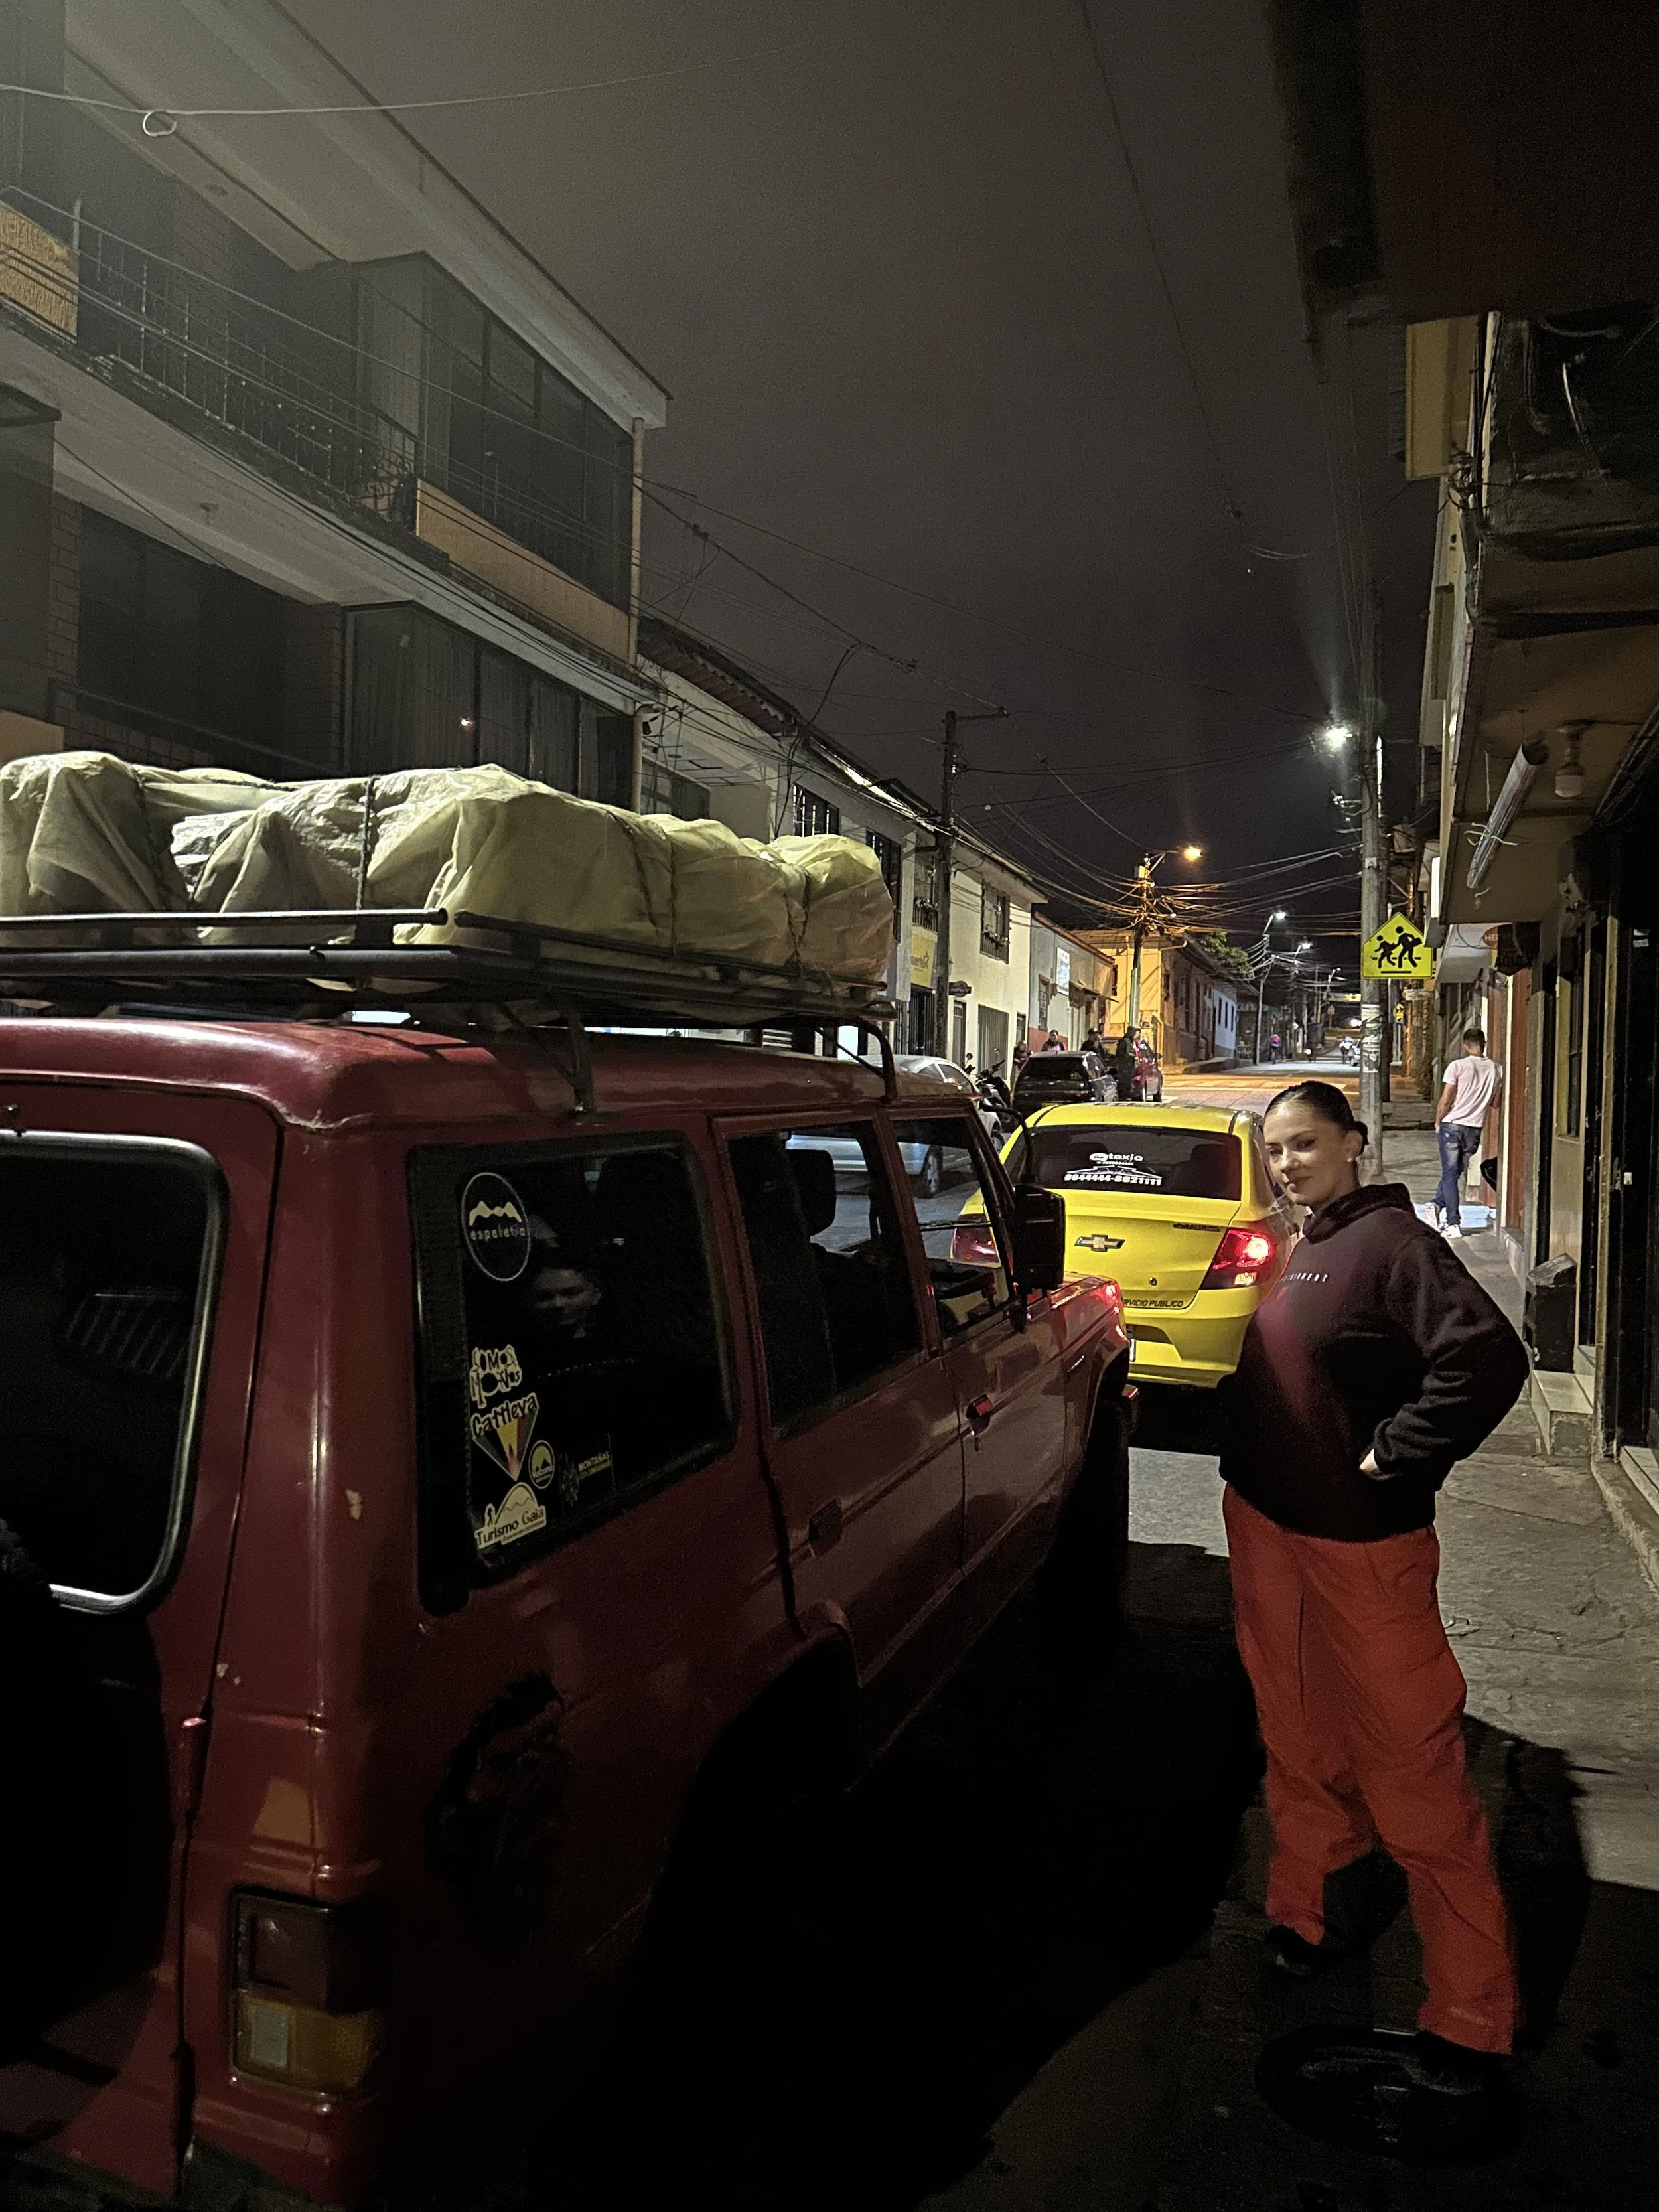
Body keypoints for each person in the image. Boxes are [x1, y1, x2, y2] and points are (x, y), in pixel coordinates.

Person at [1218, 1080, 1528, 2094]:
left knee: (1413, 1766)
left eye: (1305, 1144)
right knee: (1300, 1740)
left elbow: (1484, 1359)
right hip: (1268, 1529)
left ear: (1354, 1143)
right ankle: (1318, 1913)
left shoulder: (1397, 1246)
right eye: (1276, 1150)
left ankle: (1471, 2014)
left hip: (1362, 1549)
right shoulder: (1300, 1245)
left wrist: (1399, 1451)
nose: (1287, 1163)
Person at [1435, 1026, 1502, 1240]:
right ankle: (1436, 1204)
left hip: (1452, 1125)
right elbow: (1496, 1103)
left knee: (1449, 1173)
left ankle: (1453, 1222)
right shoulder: (1497, 1069)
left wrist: (1438, 1122)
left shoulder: (1457, 1066)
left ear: (1465, 1045)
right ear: (1485, 1044)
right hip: (1475, 1128)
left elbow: (1446, 1099)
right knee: (1454, 1173)